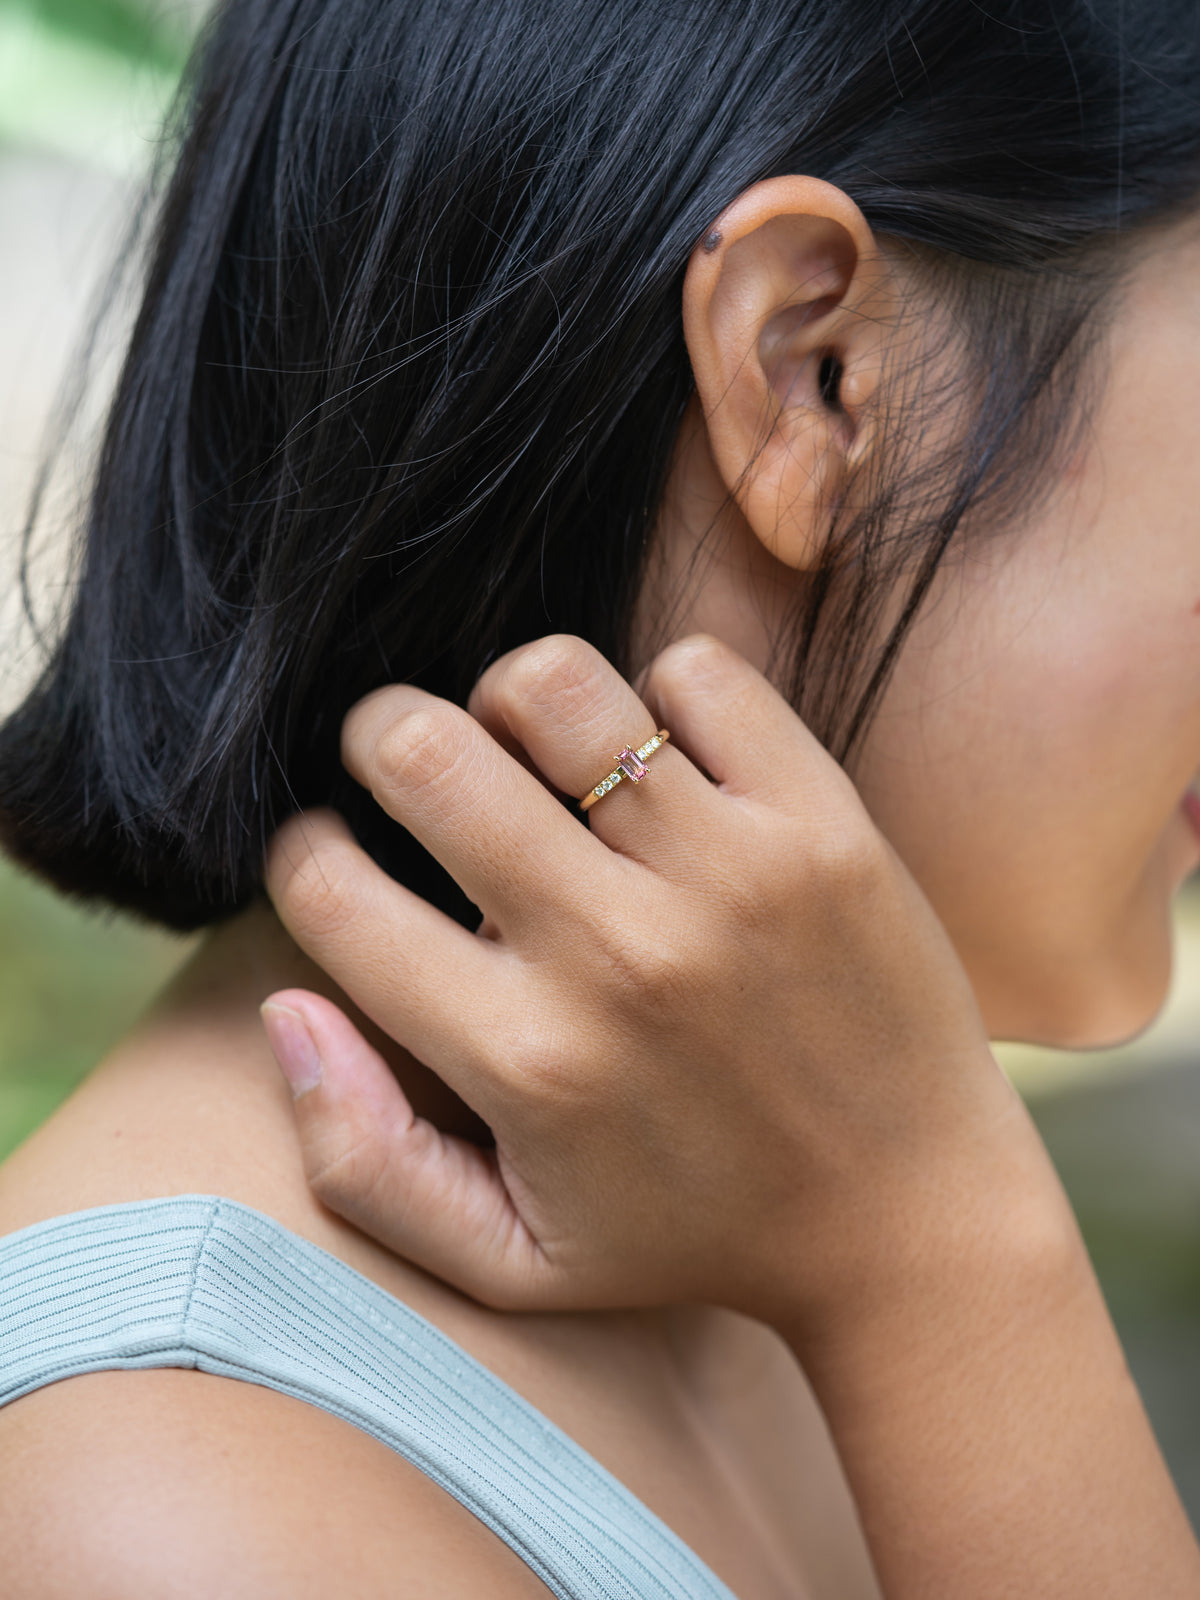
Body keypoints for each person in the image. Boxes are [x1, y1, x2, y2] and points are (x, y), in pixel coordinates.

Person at [2, 0, 1200, 1593]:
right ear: (813, 372)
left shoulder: (769, 1164)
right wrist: (945, 1257)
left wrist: (922, 1250)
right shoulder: (179, 1506)